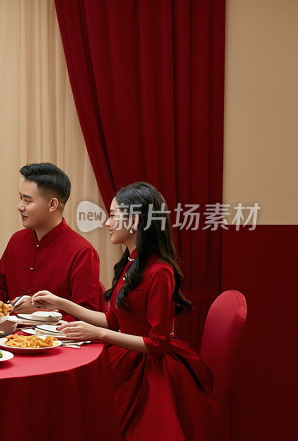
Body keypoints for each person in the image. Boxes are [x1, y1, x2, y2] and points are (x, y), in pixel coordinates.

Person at [31, 182, 218, 441]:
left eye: (113, 215)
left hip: (148, 368)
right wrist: (62, 303)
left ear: (135, 221)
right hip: (125, 356)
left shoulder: (159, 271)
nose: (107, 223)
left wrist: (99, 334)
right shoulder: (131, 262)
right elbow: (114, 320)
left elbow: (158, 343)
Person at [0, 163, 105, 318]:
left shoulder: (82, 251)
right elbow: (0, 289)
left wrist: (39, 311)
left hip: (56, 339)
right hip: (10, 336)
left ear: (52, 205)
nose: (20, 206)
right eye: (20, 198)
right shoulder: (17, 240)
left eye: (28, 201)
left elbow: (86, 314)